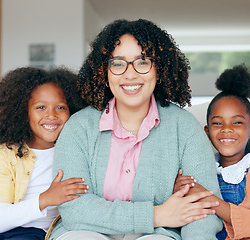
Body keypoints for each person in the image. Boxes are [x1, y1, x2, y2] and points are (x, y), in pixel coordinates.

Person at [48, 19, 223, 240]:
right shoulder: (79, 127)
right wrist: (155, 215)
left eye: (142, 62)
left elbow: (203, 208)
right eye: (118, 63)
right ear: (105, 71)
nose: (130, 74)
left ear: (159, 69)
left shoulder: (184, 127)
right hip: (85, 233)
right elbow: (75, 209)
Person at [0, 66, 88, 240]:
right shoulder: (6, 154)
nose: (51, 115)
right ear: (23, 112)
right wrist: (46, 199)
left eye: (61, 107)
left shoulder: (77, 151)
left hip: (35, 233)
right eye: (41, 107)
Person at [174, 64, 250, 239]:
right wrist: (179, 189)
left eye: (237, 122)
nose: (226, 129)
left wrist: (206, 198)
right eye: (217, 123)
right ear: (207, 132)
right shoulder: (202, 169)